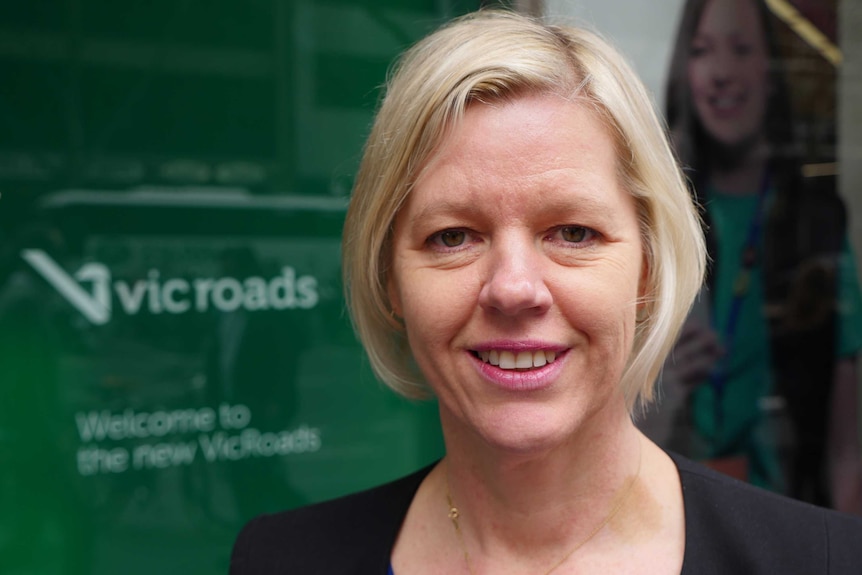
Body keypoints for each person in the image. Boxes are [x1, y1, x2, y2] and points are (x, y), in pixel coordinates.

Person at [230, 9, 862, 573]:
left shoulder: (823, 560)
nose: (513, 288)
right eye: (453, 237)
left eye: (573, 232)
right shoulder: (279, 560)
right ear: (390, 279)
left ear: (646, 270)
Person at [642, 0, 862, 512]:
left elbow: (847, 441)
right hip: (670, 514)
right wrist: (659, 385)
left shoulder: (818, 221)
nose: (721, 73)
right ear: (685, 70)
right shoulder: (656, 219)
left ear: (772, 72)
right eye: (702, 51)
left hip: (794, 513)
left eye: (741, 50)